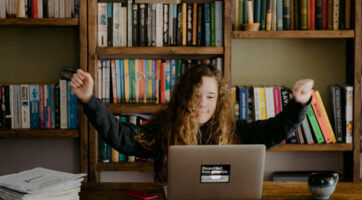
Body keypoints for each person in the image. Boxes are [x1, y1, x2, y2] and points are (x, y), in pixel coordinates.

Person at [70, 64, 313, 182]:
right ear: (184, 97)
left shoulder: (237, 131)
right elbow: (120, 137)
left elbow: (275, 131)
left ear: (219, 100)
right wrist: (89, 100)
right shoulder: (166, 129)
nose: (202, 103)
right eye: (195, 95)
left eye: (210, 96)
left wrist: (298, 104)